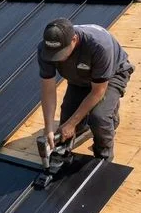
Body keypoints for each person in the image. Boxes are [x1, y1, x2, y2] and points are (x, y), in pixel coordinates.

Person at [38, 18, 134, 161]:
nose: (57, 58)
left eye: (61, 53)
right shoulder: (45, 50)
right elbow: (48, 90)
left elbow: (98, 91)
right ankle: (68, 145)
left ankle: (103, 156)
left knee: (99, 117)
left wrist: (72, 123)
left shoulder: (99, 46)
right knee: (65, 124)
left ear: (74, 40)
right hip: (78, 77)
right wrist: (49, 127)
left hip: (111, 76)